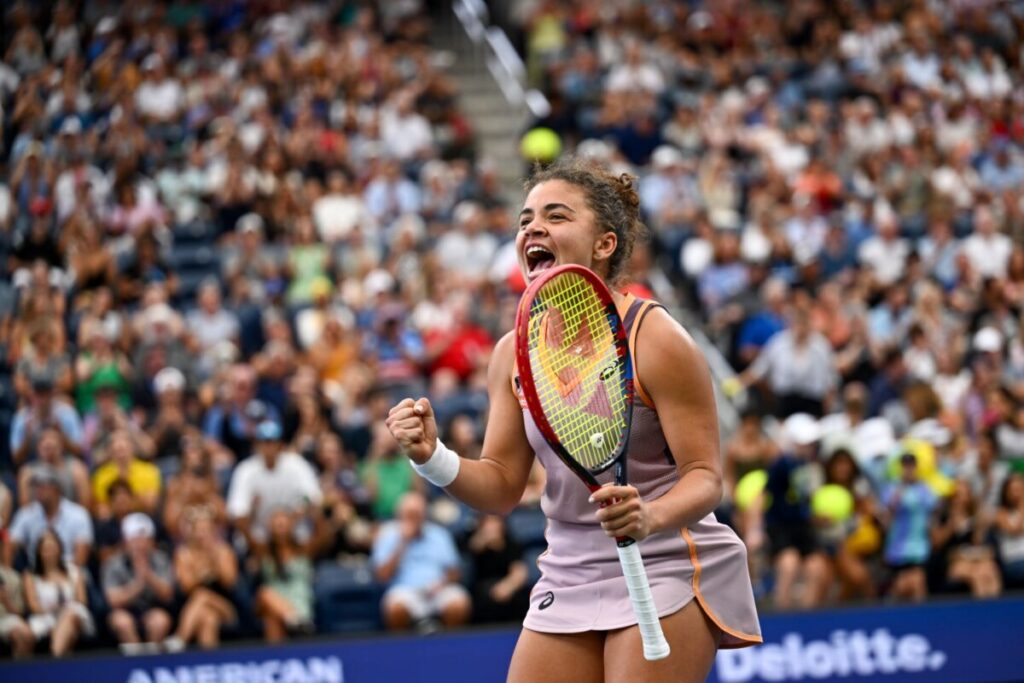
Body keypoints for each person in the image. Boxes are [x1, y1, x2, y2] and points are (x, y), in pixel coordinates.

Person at [387, 160, 760, 683]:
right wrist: (433, 457)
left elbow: (706, 478)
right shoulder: (511, 355)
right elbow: (499, 486)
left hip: (666, 561)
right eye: (525, 220)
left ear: (604, 244)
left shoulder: (654, 339)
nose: (532, 228)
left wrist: (649, 517)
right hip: (568, 570)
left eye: (555, 216)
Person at [371, 491, 471, 631]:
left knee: (458, 604)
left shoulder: (439, 534)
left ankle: (448, 646)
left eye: (417, 514)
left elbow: (454, 572)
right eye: (409, 515)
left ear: (424, 515)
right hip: (404, 590)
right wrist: (403, 542)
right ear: (400, 515)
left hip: (438, 589)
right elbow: (382, 576)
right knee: (395, 608)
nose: (414, 519)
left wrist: (441, 583)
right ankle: (403, 649)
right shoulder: (388, 534)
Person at [102, 513, 176, 654]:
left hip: (152, 608)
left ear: (151, 542)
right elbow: (113, 600)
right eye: (135, 540)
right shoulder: (112, 564)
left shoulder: (161, 560)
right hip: (124, 610)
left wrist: (148, 575)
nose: (140, 544)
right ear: (125, 542)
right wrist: (138, 584)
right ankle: (135, 662)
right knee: (122, 622)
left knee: (160, 621)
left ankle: (152, 663)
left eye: (144, 539)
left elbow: (168, 594)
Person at [23, 529, 94, 656]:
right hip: (45, 618)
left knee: (70, 616)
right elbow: (33, 606)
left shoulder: (74, 570)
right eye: (46, 548)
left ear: (60, 549)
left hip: (74, 614)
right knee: (67, 632)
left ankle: (54, 662)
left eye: (53, 547)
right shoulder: (30, 575)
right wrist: (53, 610)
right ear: (39, 552)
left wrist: (63, 609)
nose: (50, 552)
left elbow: (82, 600)